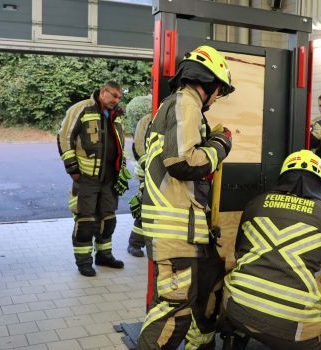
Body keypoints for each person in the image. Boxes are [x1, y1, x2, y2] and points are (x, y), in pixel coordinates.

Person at [222, 150, 321, 350]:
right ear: (319, 183)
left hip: (235, 308)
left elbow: (239, 254)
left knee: (241, 302)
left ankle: (235, 336)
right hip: (295, 329)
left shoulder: (255, 204)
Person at [136, 45, 234, 350]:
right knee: (173, 313)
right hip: (175, 233)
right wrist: (220, 144)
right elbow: (181, 162)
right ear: (209, 83)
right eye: (218, 91)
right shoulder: (185, 103)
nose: (216, 99)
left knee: (174, 305)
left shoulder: (173, 105)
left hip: (178, 231)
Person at [57, 80, 131, 276]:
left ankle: (104, 255)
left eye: (119, 97)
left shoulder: (116, 115)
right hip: (87, 178)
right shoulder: (81, 109)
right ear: (103, 92)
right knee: (86, 221)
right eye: (114, 96)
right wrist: (73, 168)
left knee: (108, 219)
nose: (117, 100)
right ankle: (84, 262)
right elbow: (64, 138)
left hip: (110, 178)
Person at [127, 112, 152, 257]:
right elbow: (138, 145)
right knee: (145, 209)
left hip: (165, 174)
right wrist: (147, 166)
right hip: (146, 173)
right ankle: (134, 244)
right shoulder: (147, 120)